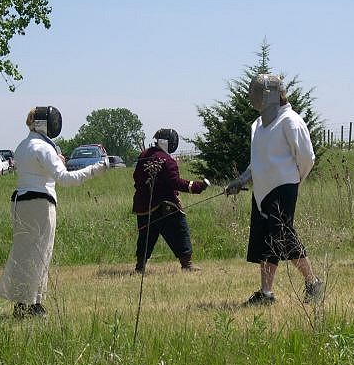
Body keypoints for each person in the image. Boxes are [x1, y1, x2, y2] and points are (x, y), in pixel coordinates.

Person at [0, 106, 108, 318]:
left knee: (23, 253)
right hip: (40, 203)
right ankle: (34, 304)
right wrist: (96, 168)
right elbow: (65, 179)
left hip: (20, 202)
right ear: (45, 124)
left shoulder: (23, 145)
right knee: (40, 254)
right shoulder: (43, 148)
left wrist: (57, 160)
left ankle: (21, 304)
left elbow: (37, 170)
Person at [226, 74, 324, 305]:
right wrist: (241, 180)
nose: (253, 96)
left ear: (271, 94)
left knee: (283, 237)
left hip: (283, 188)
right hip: (262, 192)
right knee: (265, 241)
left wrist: (294, 180)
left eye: (258, 91)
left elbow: (307, 158)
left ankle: (312, 282)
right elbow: (257, 162)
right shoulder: (258, 126)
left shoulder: (290, 121)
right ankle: (266, 293)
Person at [132, 128, 208, 273]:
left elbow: (136, 178)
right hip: (164, 206)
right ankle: (187, 264)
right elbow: (176, 183)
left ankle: (140, 266)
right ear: (168, 143)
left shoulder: (144, 155)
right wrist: (197, 186)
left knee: (145, 237)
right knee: (179, 230)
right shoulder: (167, 160)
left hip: (143, 206)